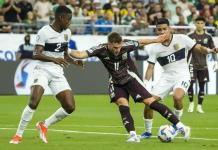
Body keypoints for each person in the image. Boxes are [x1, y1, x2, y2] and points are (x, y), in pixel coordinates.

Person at [68, 31, 191, 143]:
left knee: (150, 102)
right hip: (115, 82)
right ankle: (133, 135)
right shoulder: (100, 49)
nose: (118, 50)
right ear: (109, 44)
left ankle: (181, 126)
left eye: (119, 47)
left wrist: (156, 40)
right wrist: (66, 50)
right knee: (122, 105)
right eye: (115, 47)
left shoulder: (125, 46)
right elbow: (79, 54)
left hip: (130, 79)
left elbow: (141, 42)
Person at [10, 6, 82, 144]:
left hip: (57, 72)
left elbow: (64, 54)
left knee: (70, 106)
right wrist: (54, 59)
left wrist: (74, 62)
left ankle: (44, 124)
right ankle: (18, 135)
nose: (70, 23)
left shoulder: (67, 32)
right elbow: (36, 54)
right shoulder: (44, 32)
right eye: (69, 19)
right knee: (34, 101)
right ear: (61, 18)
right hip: (42, 69)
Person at [140, 18, 217, 139]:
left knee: (177, 97)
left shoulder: (182, 38)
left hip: (183, 75)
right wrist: (145, 85)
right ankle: (147, 132)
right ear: (156, 31)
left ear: (170, 29)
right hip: (166, 77)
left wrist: (211, 50)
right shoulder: (154, 48)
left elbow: (199, 48)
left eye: (164, 29)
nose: (162, 32)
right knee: (149, 103)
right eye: (159, 29)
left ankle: (177, 125)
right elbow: (150, 68)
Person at [187, 16, 215, 113]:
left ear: (204, 25)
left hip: (203, 64)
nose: (200, 25)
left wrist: (216, 62)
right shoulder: (190, 36)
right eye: (198, 23)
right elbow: (185, 50)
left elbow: (213, 50)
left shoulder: (208, 37)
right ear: (195, 24)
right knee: (190, 84)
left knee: (202, 86)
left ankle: (199, 106)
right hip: (191, 64)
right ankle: (191, 103)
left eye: (201, 23)